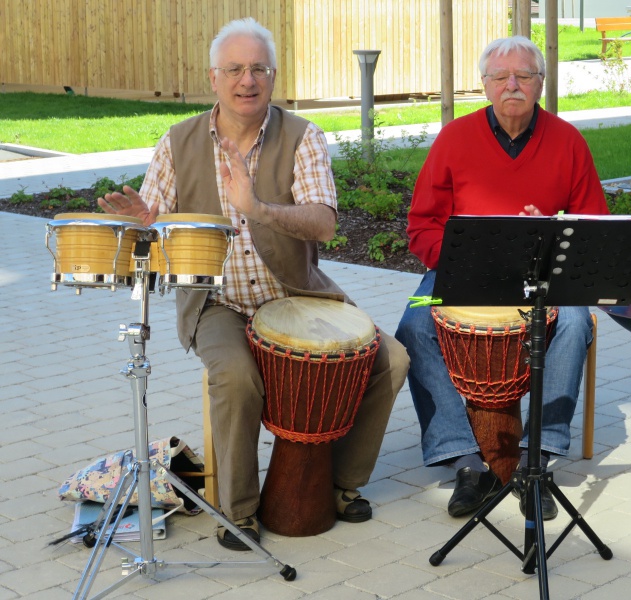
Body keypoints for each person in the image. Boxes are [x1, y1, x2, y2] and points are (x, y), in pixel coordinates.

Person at [99, 17, 409, 551]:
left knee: (391, 360)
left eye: (259, 68)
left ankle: (338, 482)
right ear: (214, 79)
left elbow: (325, 223)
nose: (248, 80)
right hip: (218, 301)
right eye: (236, 69)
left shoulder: (302, 136)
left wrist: (260, 209)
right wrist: (146, 221)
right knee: (238, 377)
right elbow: (154, 224)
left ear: (273, 76)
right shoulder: (178, 142)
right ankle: (237, 511)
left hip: (296, 292)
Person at [395, 36, 609, 520]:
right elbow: (421, 223)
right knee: (414, 326)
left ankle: (540, 457)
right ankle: (466, 459)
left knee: (575, 326)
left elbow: (593, 225)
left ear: (540, 83)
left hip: (545, 275)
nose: (513, 85)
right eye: (501, 77)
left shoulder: (568, 141)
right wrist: (453, 262)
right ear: (486, 85)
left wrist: (549, 236)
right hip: (463, 272)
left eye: (524, 76)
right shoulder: (454, 138)